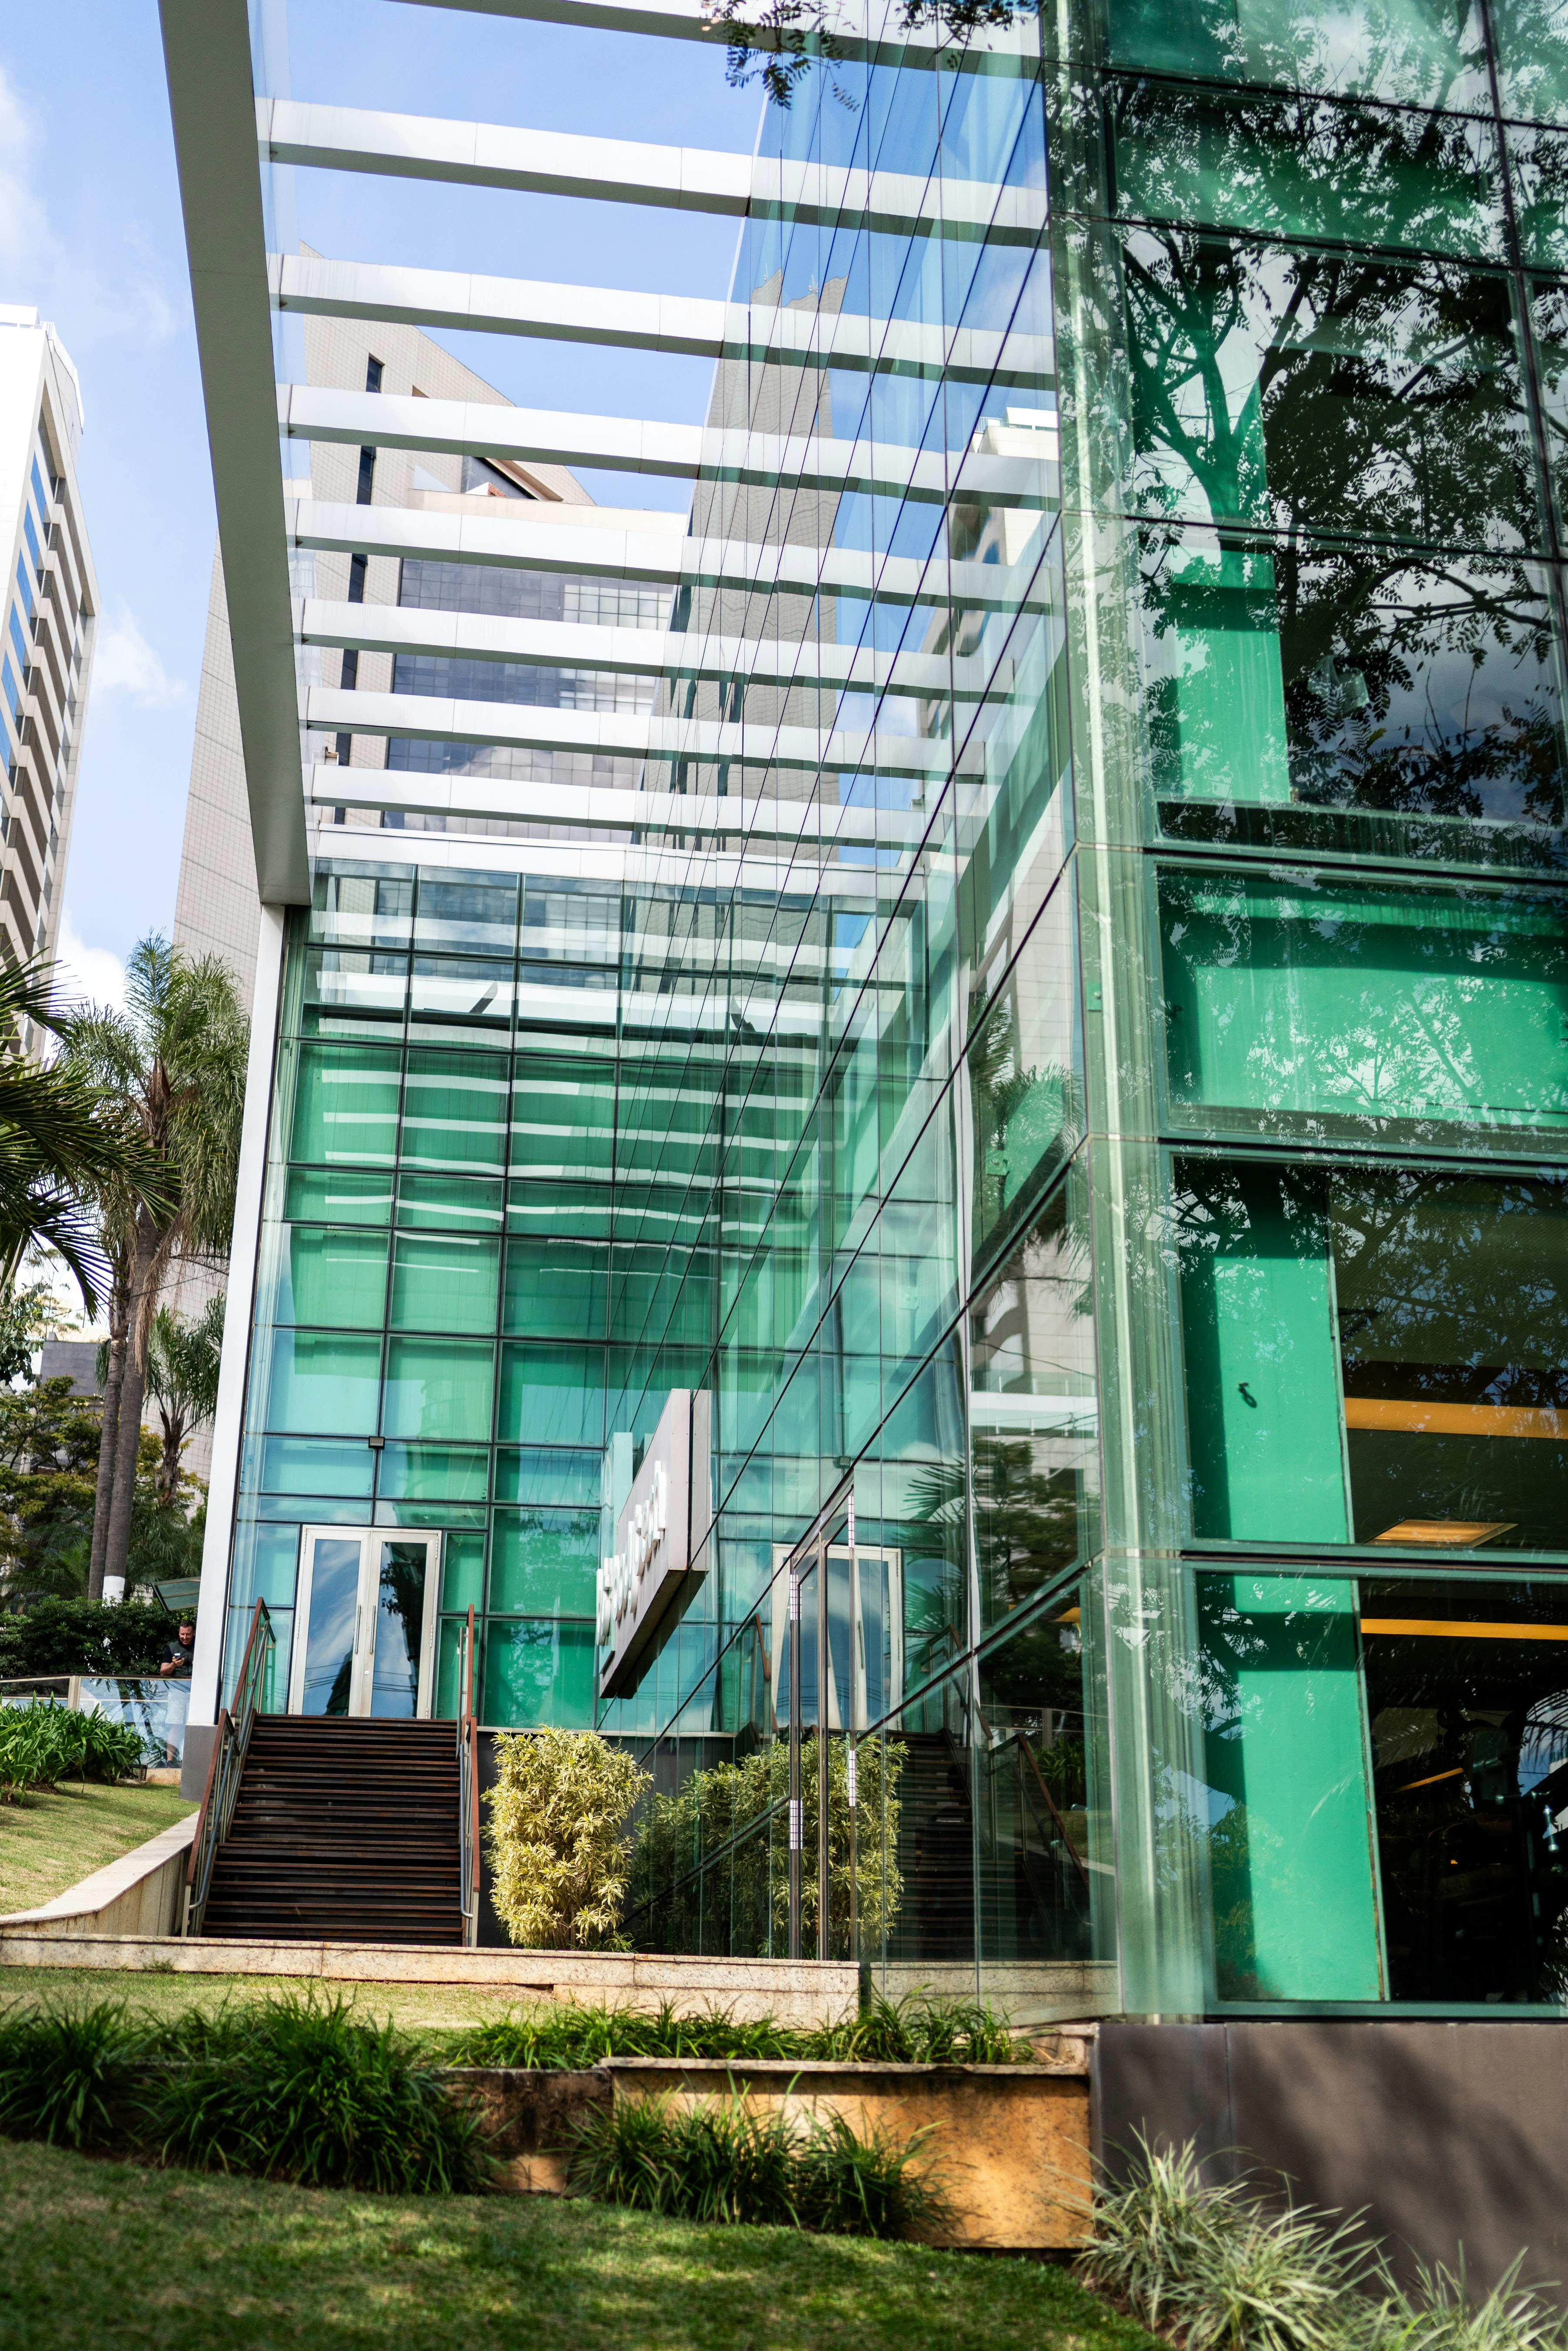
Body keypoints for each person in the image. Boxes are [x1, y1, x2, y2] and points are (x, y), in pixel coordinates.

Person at [159, 1620, 196, 1765]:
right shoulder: (171, 1648)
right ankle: (170, 1762)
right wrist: (174, 1664)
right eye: (182, 1634)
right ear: (179, 1633)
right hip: (177, 1691)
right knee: (175, 1725)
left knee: (193, 1726)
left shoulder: (200, 1646)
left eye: (188, 1634)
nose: (185, 1637)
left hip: (197, 1692)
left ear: (194, 1633)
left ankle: (190, 1761)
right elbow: (163, 1672)